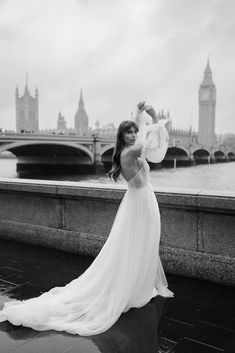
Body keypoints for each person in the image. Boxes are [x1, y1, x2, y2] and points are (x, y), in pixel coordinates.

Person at [0, 102, 173, 336]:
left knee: (141, 246)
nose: (133, 134)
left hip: (142, 202)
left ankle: (136, 286)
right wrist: (151, 116)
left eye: (134, 130)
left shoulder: (129, 151)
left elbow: (155, 147)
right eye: (128, 131)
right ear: (121, 137)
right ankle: (131, 289)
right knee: (135, 246)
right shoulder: (129, 152)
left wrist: (140, 116)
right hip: (140, 205)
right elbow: (150, 141)